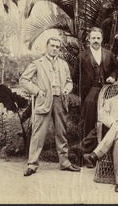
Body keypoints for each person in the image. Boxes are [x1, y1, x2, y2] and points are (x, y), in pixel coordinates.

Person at [20, 36, 81, 176]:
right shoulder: (38, 63)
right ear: (47, 47)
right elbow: (23, 80)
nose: (55, 49)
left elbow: (69, 81)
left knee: (62, 132)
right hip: (44, 100)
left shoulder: (63, 64)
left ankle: (64, 163)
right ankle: (32, 164)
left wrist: (67, 88)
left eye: (57, 47)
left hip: (60, 100)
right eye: (52, 46)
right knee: (38, 133)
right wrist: (37, 91)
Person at [72, 27, 118, 165]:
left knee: (106, 122)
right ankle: (87, 158)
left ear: (102, 39)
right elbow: (75, 76)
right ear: (89, 39)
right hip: (90, 93)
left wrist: (112, 77)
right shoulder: (82, 56)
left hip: (107, 92)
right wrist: (84, 87)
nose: (96, 41)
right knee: (89, 122)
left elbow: (117, 69)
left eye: (98, 38)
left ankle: (99, 154)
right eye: (93, 38)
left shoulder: (109, 54)